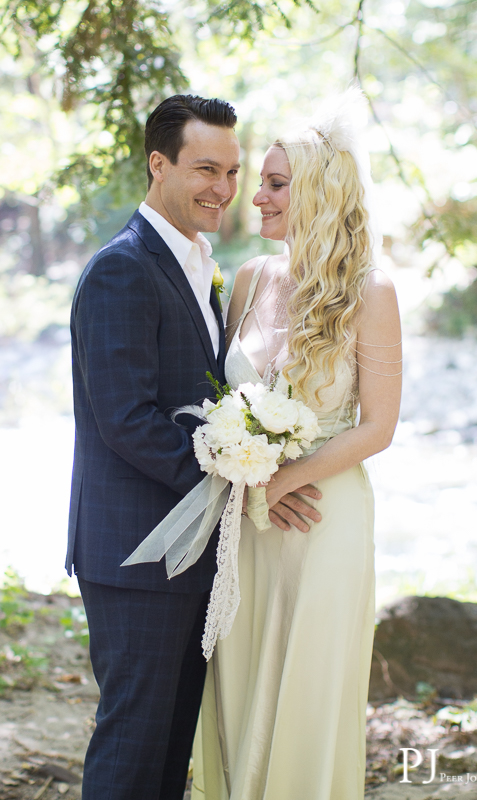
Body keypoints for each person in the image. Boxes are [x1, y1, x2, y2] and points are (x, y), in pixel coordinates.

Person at [66, 93, 321, 800]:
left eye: (234, 171)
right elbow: (126, 419)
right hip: (136, 553)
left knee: (170, 745)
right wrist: (239, 484)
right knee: (132, 746)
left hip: (193, 550)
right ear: (159, 164)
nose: (225, 189)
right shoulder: (121, 268)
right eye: (206, 169)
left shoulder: (198, 264)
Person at [192, 92, 402, 800]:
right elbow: (219, 400)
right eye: (262, 182)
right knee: (241, 676)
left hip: (321, 515)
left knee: (306, 690)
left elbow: (378, 425)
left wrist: (278, 485)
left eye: (275, 183)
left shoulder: (370, 292)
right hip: (246, 521)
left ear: (317, 187)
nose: (254, 197)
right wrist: (248, 484)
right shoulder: (249, 279)